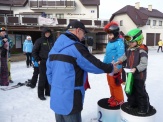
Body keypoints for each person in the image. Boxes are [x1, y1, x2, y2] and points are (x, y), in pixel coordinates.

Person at [46, 20, 118, 122]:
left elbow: (48, 71)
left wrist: (56, 86)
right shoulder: (76, 47)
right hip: (71, 98)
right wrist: (110, 68)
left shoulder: (54, 48)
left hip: (56, 96)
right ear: (78, 30)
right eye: (84, 33)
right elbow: (92, 64)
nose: (83, 36)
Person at [116, 28, 150, 115]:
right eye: (129, 42)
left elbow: (144, 64)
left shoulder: (142, 51)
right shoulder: (129, 50)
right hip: (130, 75)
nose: (130, 44)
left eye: (132, 42)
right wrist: (119, 61)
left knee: (140, 91)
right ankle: (132, 104)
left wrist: (136, 68)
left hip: (139, 76)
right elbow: (124, 57)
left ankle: (144, 107)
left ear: (138, 41)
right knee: (130, 90)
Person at [103, 21, 125, 107]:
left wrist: (118, 67)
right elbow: (107, 54)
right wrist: (104, 64)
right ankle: (113, 96)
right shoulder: (110, 42)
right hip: (109, 67)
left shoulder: (119, 43)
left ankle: (119, 100)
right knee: (110, 83)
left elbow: (121, 56)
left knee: (115, 84)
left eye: (111, 34)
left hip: (115, 68)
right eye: (108, 35)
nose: (109, 36)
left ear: (115, 34)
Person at [32, 28, 55, 100]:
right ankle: (40, 94)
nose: (48, 34)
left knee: (49, 77)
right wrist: (38, 60)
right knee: (42, 78)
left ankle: (48, 92)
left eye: (49, 33)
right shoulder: (39, 41)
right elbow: (34, 51)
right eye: (46, 33)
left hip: (51, 62)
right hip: (42, 61)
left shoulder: (52, 40)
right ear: (44, 33)